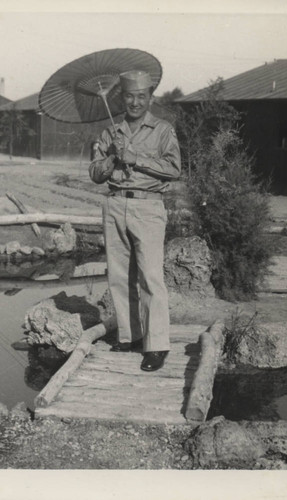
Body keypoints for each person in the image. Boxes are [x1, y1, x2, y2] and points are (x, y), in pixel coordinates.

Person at [89, 70, 181, 372]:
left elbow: (173, 168)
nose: (135, 102)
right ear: (122, 98)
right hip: (115, 205)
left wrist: (135, 158)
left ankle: (157, 346)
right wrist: (114, 158)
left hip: (148, 208)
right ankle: (130, 336)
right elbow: (94, 174)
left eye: (141, 96)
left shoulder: (163, 129)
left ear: (150, 98)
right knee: (119, 276)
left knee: (150, 278)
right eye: (129, 96)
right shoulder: (109, 133)